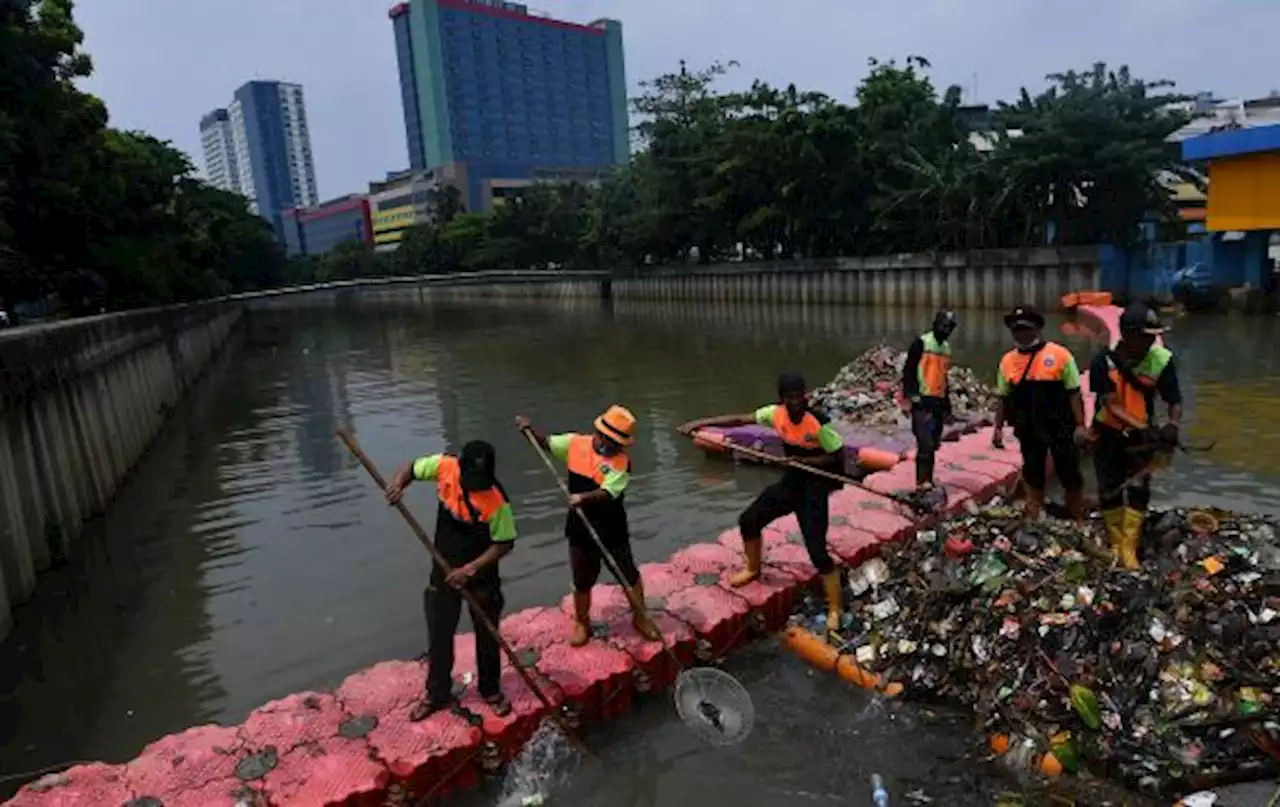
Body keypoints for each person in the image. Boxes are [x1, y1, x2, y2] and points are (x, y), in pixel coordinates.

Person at [678, 373, 846, 631]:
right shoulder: (774, 414)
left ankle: (835, 607)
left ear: (806, 396)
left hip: (815, 487)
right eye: (790, 398)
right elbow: (739, 419)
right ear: (781, 400)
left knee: (818, 552)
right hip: (791, 483)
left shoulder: (818, 424)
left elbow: (836, 458)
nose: (796, 403)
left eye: (800, 397)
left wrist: (805, 462)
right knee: (749, 520)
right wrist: (701, 423)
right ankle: (753, 569)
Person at [384, 441, 516, 721]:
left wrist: (470, 570)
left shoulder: (497, 500)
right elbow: (411, 468)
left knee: (487, 632)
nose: (476, 486)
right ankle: (437, 693)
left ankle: (491, 690)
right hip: (443, 567)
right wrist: (398, 486)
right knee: (440, 632)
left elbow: (505, 543)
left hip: (481, 572)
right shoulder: (444, 466)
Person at [517, 407, 662, 646]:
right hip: (580, 526)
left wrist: (582, 498)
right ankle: (582, 622)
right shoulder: (575, 444)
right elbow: (546, 443)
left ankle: (640, 617)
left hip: (611, 526)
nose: (616, 446)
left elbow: (608, 492)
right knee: (582, 577)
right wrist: (528, 430)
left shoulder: (621, 462)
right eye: (613, 441)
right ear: (600, 434)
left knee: (628, 573)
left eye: (620, 442)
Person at [1088, 303, 1181, 570]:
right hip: (1108, 433)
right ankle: (1115, 539)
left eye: (1154, 335)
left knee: (1139, 488)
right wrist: (1141, 426)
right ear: (1127, 335)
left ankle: (1130, 545)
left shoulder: (1161, 360)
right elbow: (1111, 405)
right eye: (1145, 335)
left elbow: (1173, 398)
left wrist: (1173, 423)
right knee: (1109, 487)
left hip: (1143, 438)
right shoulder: (1102, 362)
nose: (1151, 341)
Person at [990, 306, 1090, 522]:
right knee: (1032, 471)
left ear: (1037, 328)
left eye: (1025, 329)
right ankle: (1035, 513)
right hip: (1028, 428)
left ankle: (1078, 516)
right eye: (1016, 330)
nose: (1020, 334)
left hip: (1061, 426)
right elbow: (1003, 397)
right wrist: (997, 428)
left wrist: (1081, 425)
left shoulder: (1060, 355)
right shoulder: (1007, 361)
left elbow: (1074, 393)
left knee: (1069, 471)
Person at [902, 310, 958, 490]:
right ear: (935, 325)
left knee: (933, 443)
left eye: (949, 327)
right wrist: (912, 396)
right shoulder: (921, 343)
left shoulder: (946, 348)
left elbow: (944, 378)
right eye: (943, 326)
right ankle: (920, 482)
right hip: (922, 401)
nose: (945, 330)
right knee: (924, 442)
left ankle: (929, 479)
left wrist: (947, 406)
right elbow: (909, 370)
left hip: (937, 402)